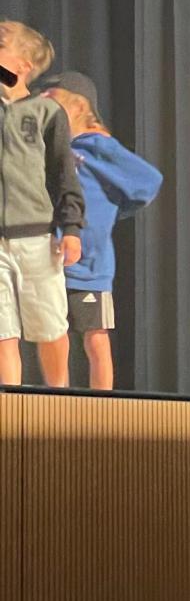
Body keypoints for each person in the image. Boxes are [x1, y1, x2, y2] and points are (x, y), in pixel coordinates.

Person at [41, 72, 163, 390]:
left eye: (52, 101)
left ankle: (102, 404)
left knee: (96, 336)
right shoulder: (52, 150)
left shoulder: (98, 147)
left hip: (91, 264)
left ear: (78, 106)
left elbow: (148, 180)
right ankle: (56, 399)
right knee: (54, 333)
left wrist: (112, 210)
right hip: (52, 259)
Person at [0, 20, 84, 387]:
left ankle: (57, 401)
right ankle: (9, 406)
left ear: (21, 65)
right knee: (3, 333)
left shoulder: (47, 112)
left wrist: (72, 228)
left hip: (36, 237)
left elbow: (63, 174)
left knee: (50, 328)